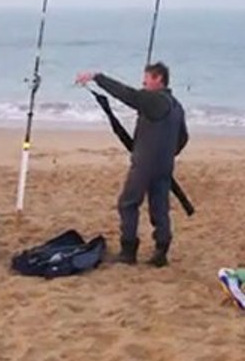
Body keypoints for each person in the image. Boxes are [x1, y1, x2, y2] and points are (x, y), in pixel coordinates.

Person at [75, 62, 188, 267]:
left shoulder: (155, 99)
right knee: (160, 208)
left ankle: (128, 251)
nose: (143, 85)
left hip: (145, 165)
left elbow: (127, 94)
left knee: (128, 203)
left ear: (158, 79)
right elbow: (183, 138)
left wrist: (98, 77)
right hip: (165, 166)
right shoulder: (177, 106)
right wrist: (167, 153)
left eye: (146, 81)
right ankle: (161, 251)